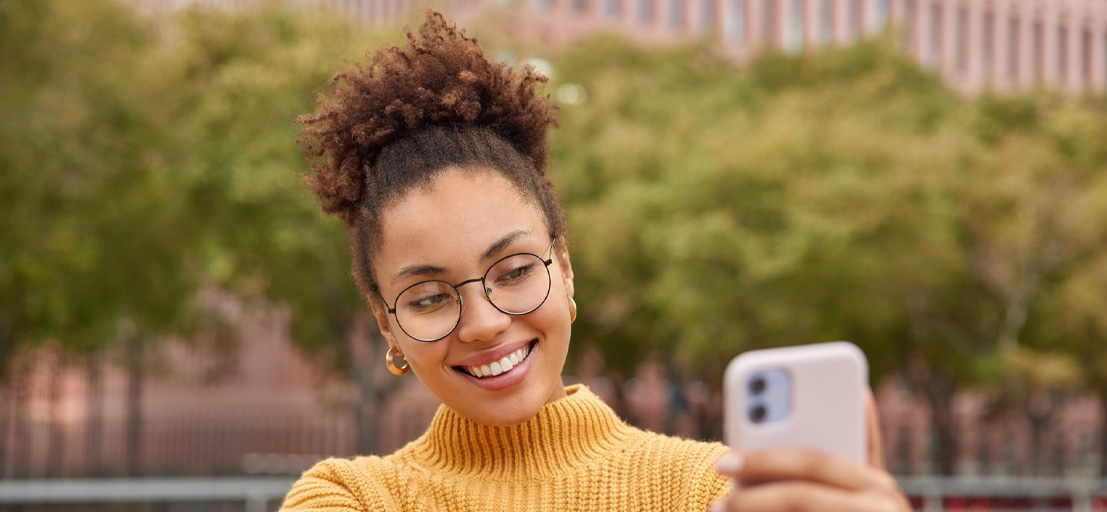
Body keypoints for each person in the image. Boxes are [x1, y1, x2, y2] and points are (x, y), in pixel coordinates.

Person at [279, 11, 910, 512]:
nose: (482, 323)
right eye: (428, 298)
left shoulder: (711, 491)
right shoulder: (348, 500)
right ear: (387, 325)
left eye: (515, 271)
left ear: (565, 267)